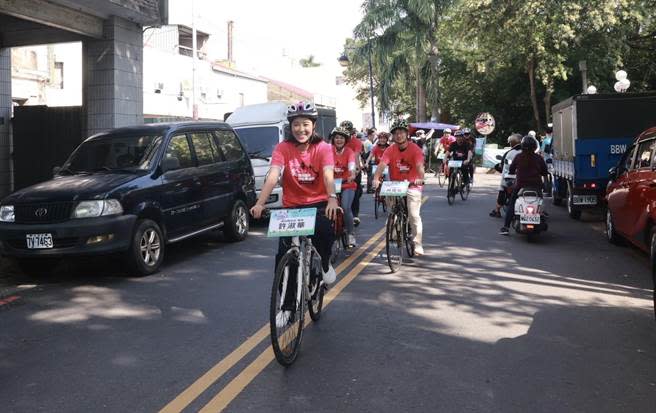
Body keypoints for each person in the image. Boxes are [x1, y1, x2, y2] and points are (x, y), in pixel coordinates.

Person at [251, 101, 339, 326]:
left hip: (318, 203)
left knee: (326, 231)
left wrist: (331, 197)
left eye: (306, 124)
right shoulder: (282, 148)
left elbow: (328, 175)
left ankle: (326, 264)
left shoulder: (324, 148)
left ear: (314, 125)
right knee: (284, 258)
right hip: (291, 207)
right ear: (291, 126)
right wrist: (260, 203)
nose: (301, 129)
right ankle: (287, 306)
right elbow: (273, 176)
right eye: (297, 124)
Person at [372, 119, 426, 256]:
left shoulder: (415, 149)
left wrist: (420, 178)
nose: (398, 135)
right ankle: (396, 229)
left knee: (413, 215)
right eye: (395, 133)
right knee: (392, 211)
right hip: (395, 186)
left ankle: (417, 243)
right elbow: (382, 165)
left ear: (406, 134)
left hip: (412, 185)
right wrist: (376, 178)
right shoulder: (390, 150)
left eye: (401, 132)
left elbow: (420, 167)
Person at [500, 135, 549, 235]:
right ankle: (541, 217)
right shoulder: (539, 158)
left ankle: (506, 227)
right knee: (540, 202)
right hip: (536, 187)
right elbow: (545, 172)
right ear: (535, 147)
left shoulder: (518, 157)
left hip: (520, 187)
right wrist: (545, 184)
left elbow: (511, 170)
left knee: (512, 205)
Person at [330, 126, 358, 247]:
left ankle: (351, 234)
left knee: (346, 208)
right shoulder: (327, 150)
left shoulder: (349, 152)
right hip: (331, 184)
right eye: (336, 137)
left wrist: (352, 174)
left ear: (345, 140)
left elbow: (352, 164)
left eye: (341, 138)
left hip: (347, 184)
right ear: (333, 139)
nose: (339, 140)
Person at [490, 134, 522, 217]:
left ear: (512, 143)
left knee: (502, 188)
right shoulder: (529, 153)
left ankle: (497, 210)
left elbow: (504, 168)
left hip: (511, 179)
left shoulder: (509, 153)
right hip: (527, 180)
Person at [342, 121, 364, 227]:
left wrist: (355, 170)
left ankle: (355, 214)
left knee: (355, 192)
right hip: (339, 171)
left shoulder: (356, 142)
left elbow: (355, 156)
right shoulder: (337, 140)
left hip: (353, 169)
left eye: (348, 131)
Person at [365, 128, 376, 193]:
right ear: (369, 135)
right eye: (373, 136)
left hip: (368, 161)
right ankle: (369, 189)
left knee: (370, 175)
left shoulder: (368, 142)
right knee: (370, 175)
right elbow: (372, 152)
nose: (373, 137)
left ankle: (369, 188)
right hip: (369, 161)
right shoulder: (368, 143)